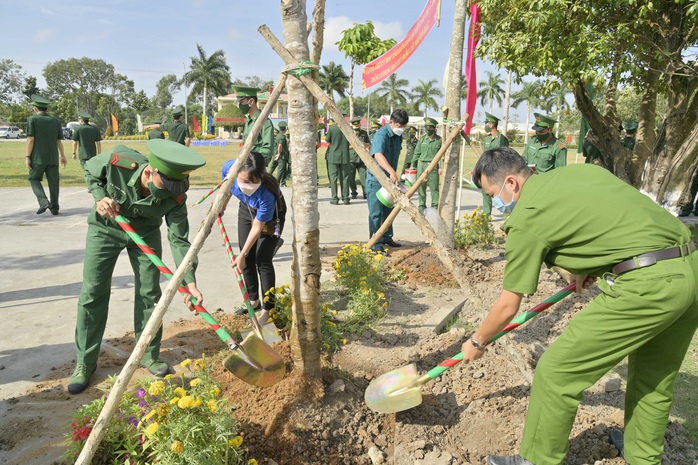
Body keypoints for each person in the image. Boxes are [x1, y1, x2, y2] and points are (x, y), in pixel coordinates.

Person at [464, 147, 698, 465]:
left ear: (511, 183)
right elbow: (611, 218)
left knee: (557, 372)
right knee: (653, 377)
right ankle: (643, 454)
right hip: (689, 268)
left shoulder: (527, 215)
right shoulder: (580, 172)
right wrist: (592, 264)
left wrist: (478, 341)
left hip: (649, 287)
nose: (498, 203)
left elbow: (507, 307)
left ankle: (537, 460)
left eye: (494, 194)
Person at [68, 139, 207, 394]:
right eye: (164, 186)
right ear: (148, 172)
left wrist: (190, 283)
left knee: (150, 293)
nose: (168, 193)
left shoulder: (175, 195)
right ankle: (85, 363)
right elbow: (91, 170)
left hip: (145, 233)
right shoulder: (119, 162)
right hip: (106, 228)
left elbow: (179, 241)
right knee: (93, 292)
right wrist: (100, 198)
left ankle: (148, 354)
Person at [221, 152, 286, 325]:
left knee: (262, 260)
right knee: (247, 258)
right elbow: (226, 187)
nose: (248, 186)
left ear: (262, 177)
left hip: (271, 217)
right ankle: (253, 300)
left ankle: (268, 309)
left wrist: (242, 253)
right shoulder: (229, 168)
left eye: (254, 182)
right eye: (243, 181)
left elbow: (258, 226)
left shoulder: (267, 196)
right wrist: (222, 206)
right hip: (246, 208)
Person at [366, 109, 409, 253]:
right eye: (399, 125)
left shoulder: (398, 136)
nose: (401, 128)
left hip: (390, 179)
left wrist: (392, 174)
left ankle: (386, 237)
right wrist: (392, 172)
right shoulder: (381, 135)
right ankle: (376, 242)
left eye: (404, 126)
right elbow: (378, 155)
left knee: (387, 209)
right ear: (391, 122)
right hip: (377, 178)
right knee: (376, 212)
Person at [25, 94, 67, 215]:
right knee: (54, 183)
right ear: (47, 109)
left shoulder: (32, 119)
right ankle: (54, 208)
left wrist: (27, 157)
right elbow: (59, 141)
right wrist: (62, 156)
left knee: (33, 178)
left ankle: (43, 201)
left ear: (35, 108)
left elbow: (30, 140)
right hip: (53, 157)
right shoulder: (55, 121)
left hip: (37, 158)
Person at [233, 85, 275, 166]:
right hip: (244, 165)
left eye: (241, 102)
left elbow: (268, 149)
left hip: (256, 168)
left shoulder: (264, 122)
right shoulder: (248, 121)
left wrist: (255, 164)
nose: (240, 106)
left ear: (251, 101)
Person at [480, 112, 509, 217]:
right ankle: (487, 215)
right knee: (486, 192)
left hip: (498, 170)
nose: (486, 125)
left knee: (501, 192)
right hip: (487, 169)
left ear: (492, 124)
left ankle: (506, 215)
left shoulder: (502, 139)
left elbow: (505, 155)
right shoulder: (487, 139)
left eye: (487, 123)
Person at [412, 117, 442, 213]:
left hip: (433, 167)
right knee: (421, 187)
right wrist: (413, 164)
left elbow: (441, 155)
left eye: (430, 128)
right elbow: (416, 153)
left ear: (434, 128)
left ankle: (435, 206)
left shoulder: (439, 140)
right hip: (422, 165)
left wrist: (440, 167)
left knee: (434, 188)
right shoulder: (421, 140)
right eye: (426, 127)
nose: (428, 129)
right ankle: (421, 206)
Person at [325, 116, 352, 205]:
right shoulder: (348, 128)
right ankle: (346, 198)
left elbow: (328, 142)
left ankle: (335, 198)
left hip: (333, 156)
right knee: (345, 177)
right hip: (345, 156)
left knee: (333, 178)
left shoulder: (332, 128)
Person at [348, 117, 370, 200]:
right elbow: (345, 146)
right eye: (355, 125)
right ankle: (353, 192)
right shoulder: (349, 133)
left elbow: (368, 145)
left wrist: (363, 144)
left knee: (364, 177)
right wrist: (354, 145)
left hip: (361, 159)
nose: (357, 127)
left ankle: (366, 193)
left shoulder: (364, 133)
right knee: (351, 178)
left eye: (358, 125)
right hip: (351, 159)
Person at [274, 121, 291, 186]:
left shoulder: (279, 135)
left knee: (284, 170)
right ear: (285, 128)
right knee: (280, 170)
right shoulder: (282, 137)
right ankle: (276, 183)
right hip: (282, 156)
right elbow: (280, 145)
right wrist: (278, 154)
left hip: (284, 155)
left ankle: (283, 183)